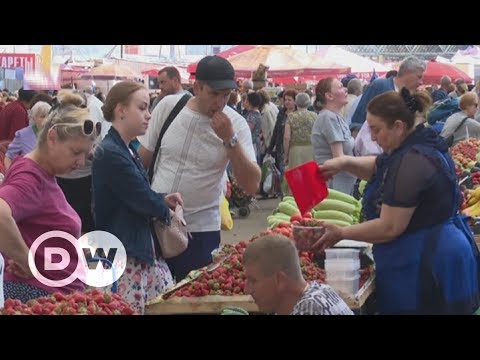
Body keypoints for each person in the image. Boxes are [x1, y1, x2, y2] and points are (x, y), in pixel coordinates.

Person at [314, 89, 480, 315]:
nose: (372, 137)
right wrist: (344, 163)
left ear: (399, 126)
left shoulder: (413, 161)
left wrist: (341, 232)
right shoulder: (415, 144)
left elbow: (390, 227)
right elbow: (379, 166)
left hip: (427, 264)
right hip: (437, 252)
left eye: (376, 129)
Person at [138, 56, 260, 282]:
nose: (220, 102)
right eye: (214, 94)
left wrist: (229, 139)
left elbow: (252, 184)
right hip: (155, 221)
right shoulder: (168, 106)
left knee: (190, 297)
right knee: (152, 295)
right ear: (196, 87)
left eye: (226, 95)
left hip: (200, 231)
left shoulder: (237, 125)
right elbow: (143, 158)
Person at [92, 81, 183, 314]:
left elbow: (134, 194)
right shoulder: (111, 152)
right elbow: (140, 198)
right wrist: (166, 212)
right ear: (121, 110)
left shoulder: (124, 148)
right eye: (142, 108)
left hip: (133, 247)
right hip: (126, 253)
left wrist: (161, 200)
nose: (149, 115)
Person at [0, 92, 98, 303]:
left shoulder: (39, 172)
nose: (80, 162)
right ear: (52, 138)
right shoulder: (31, 177)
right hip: (41, 297)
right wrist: (26, 261)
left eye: (85, 155)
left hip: (49, 295)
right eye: (75, 152)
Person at [243, 234, 353, 315]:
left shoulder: (310, 309)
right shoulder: (321, 290)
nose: (247, 290)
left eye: (253, 281)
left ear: (280, 280)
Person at [311, 77, 356, 195]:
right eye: (341, 87)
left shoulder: (335, 117)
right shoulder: (329, 118)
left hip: (341, 182)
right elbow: (339, 158)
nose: (345, 89)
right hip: (335, 185)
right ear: (329, 96)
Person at [351, 56, 425, 125]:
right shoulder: (379, 86)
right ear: (407, 72)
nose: (421, 82)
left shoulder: (411, 97)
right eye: (419, 77)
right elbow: (358, 118)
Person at [3, 101, 51, 171]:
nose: (46, 120)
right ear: (34, 117)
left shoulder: (54, 134)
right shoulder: (22, 134)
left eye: (49, 116)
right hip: (28, 176)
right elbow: (8, 157)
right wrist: (12, 175)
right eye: (42, 116)